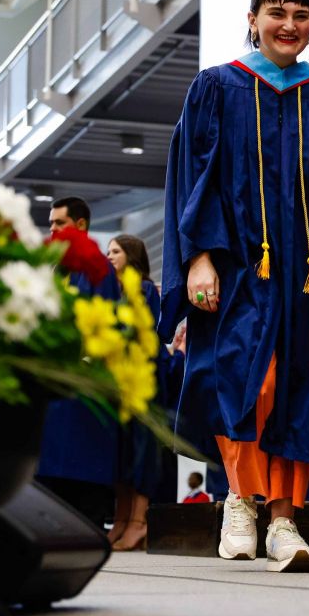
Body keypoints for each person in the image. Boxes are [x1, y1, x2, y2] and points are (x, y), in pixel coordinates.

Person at [160, 0, 309, 574]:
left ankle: (285, 517)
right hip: (239, 269)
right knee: (246, 380)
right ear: (254, 19)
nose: (290, 25)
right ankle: (239, 498)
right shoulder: (217, 89)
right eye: (277, 12)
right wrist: (198, 256)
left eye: (301, 15)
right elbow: (193, 180)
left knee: (301, 390)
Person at [36, 196, 122, 525]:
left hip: (85, 380)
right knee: (50, 457)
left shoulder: (98, 268)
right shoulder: (54, 269)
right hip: (52, 378)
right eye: (51, 224)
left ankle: (87, 520)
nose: (53, 229)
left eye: (60, 223)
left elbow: (106, 322)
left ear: (81, 225)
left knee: (81, 454)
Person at [104, 234, 169, 551]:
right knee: (120, 451)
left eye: (115, 251)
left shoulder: (143, 288)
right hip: (118, 379)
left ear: (131, 254)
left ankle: (138, 521)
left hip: (142, 379)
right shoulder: (112, 290)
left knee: (141, 450)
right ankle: (120, 518)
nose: (109, 255)